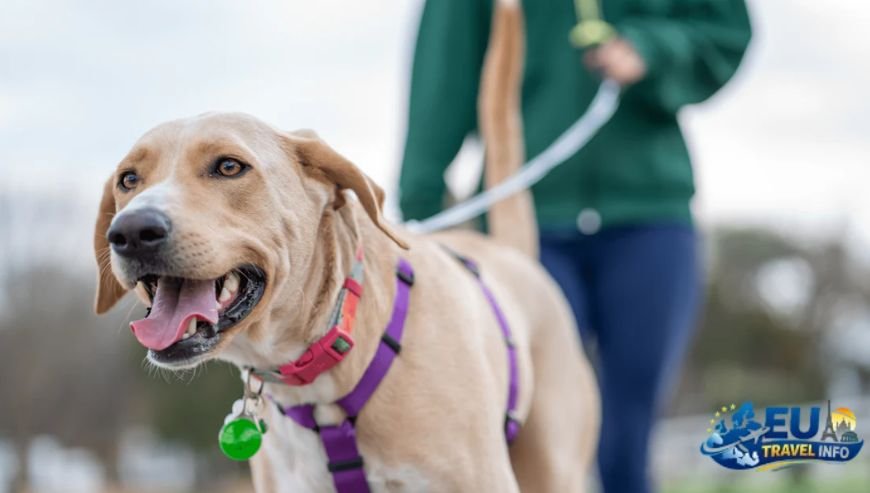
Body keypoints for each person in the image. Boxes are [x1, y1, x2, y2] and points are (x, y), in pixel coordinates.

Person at [398, 0, 752, 491]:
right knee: (525, 424)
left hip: (649, 216)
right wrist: (422, 216)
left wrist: (653, 47)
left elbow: (725, 30)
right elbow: (442, 77)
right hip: (521, 223)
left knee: (629, 430)